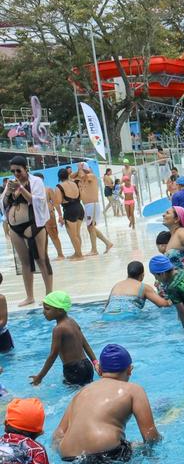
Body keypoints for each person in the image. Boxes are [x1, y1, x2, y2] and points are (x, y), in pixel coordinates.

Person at [52, 344, 161, 464]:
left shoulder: (81, 392)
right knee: (138, 447)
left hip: (68, 457)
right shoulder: (134, 390)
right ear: (129, 370)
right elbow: (150, 436)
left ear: (99, 370)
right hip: (106, 452)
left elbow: (58, 434)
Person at [3, 158, 53, 305]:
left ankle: (49, 295)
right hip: (15, 228)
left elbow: (37, 200)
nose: (16, 173)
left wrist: (21, 188)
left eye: (18, 170)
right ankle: (29, 296)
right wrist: (8, 192)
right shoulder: (11, 183)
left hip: (33, 225)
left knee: (42, 259)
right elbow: (3, 204)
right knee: (24, 262)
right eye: (13, 171)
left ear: (26, 168)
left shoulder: (36, 181)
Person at [30, 291, 95, 387]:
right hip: (87, 365)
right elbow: (85, 344)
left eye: (47, 309)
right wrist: (95, 362)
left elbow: (53, 355)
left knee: (75, 394)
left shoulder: (58, 329)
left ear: (60, 310)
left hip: (73, 369)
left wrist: (40, 377)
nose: (43, 312)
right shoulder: (72, 322)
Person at [104, 261, 169, 317]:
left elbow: (106, 306)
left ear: (128, 274)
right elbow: (163, 304)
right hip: (128, 317)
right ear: (142, 275)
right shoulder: (144, 287)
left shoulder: (117, 285)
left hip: (108, 315)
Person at [75, 163, 113, 254]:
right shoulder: (82, 181)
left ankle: (94, 250)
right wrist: (78, 171)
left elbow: (84, 176)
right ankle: (107, 243)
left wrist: (80, 169)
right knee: (91, 227)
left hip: (92, 205)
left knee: (90, 227)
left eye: (81, 170)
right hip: (88, 206)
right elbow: (72, 177)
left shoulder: (91, 176)